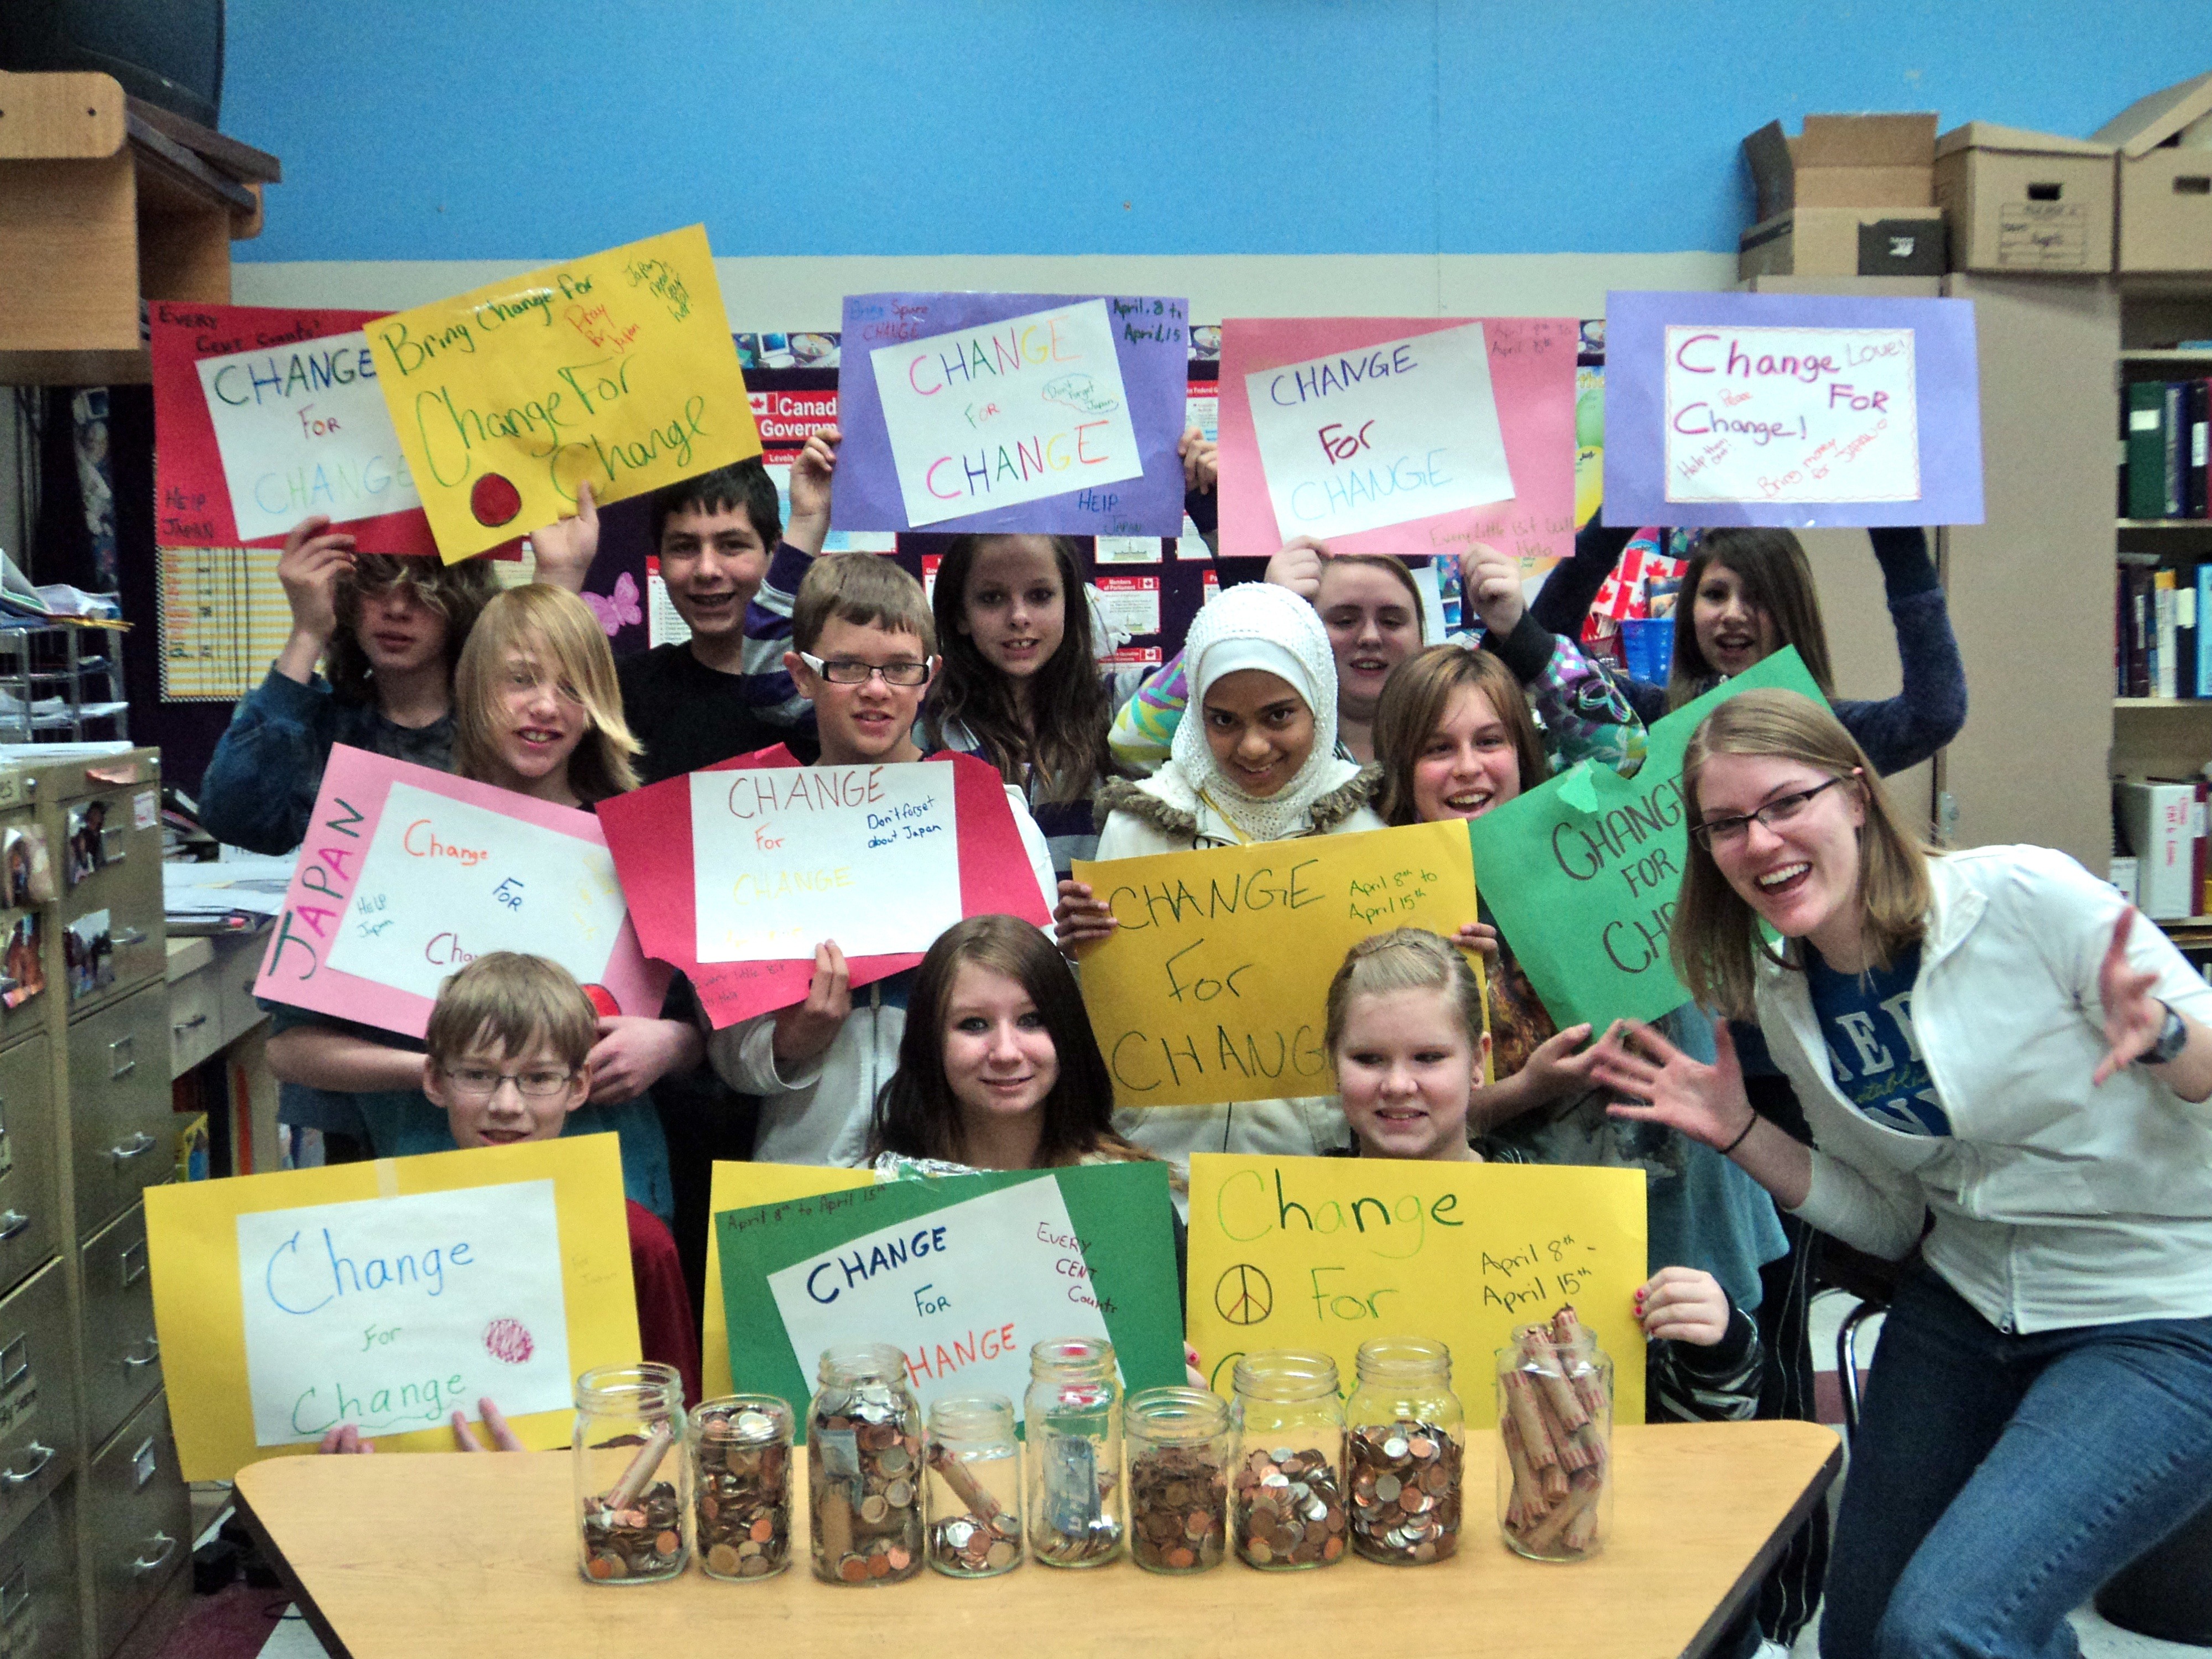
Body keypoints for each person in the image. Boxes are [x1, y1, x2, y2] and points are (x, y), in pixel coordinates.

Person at [1587, 688, 2212, 1659]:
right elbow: (1887, 1219)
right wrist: (1740, 1127)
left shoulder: (2026, 898)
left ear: (1855, 796)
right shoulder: (1788, 997)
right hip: (1966, 1304)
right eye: (1726, 825)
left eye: (1786, 803)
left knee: (1945, 1631)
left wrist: (2170, 1036)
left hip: (2159, 1312)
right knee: (1864, 1639)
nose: (1760, 841)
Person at [1368, 645, 1786, 1329]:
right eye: (1437, 749)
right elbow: (1391, 1116)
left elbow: (1627, 750)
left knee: (1718, 1403)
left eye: (1491, 741)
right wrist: (1531, 1086)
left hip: (1688, 1208)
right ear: (1400, 767)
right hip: (1537, 1247)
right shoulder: (1390, 897)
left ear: (1524, 749)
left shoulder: (1588, 832)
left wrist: (1523, 631)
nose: (1469, 768)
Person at [266, 586, 682, 1220]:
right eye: (520, 680)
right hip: (436, 1193)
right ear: (474, 686)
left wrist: (674, 1044)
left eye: (574, 689)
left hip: (607, 1183)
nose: (545, 707)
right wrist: (438, 1072)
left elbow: (708, 1025)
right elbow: (288, 1049)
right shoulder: (387, 830)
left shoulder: (639, 847)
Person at [1323, 929, 1764, 1429]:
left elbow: (1680, 1424)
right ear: (1332, 1064)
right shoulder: (1277, 1223)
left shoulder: (1575, 1222)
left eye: (1429, 1057)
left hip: (1540, 1503)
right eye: (1368, 1059)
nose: (1399, 1084)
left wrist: (1716, 1347)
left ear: (1478, 1061)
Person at [702, 555, 1057, 1167]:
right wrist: (789, 1044)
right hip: (804, 1163)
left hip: (962, 1166)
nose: (875, 689)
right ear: (801, 674)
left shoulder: (990, 817)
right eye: (846, 668)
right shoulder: (751, 827)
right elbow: (730, 1055)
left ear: (929, 676)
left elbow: (1043, 1012)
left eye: (899, 669)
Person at [319, 952, 702, 1454]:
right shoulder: (365, 1249)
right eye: (478, 1075)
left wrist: (547, 1483)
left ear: (579, 1086)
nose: (506, 1105)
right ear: (434, 1081)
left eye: (539, 1078)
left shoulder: (636, 1244)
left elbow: (678, 1439)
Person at [1058, 580, 1384, 1168]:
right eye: (1224, 720)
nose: (1253, 746)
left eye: (1279, 716)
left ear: (1320, 700)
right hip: (1156, 1162)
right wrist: (1079, 957)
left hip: (1314, 1172)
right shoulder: (1138, 829)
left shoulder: (1364, 834)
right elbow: (1100, 1012)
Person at [1523, 517, 1966, 774]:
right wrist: (1616, 515)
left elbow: (1934, 715)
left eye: (1758, 597)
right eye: (1715, 594)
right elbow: (1546, 645)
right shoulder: (1649, 720)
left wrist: (1900, 542)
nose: (1733, 614)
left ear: (1792, 610)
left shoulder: (1831, 732)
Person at [920, 533, 1150, 873]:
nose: (1019, 616)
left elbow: (1231, 652)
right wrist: (808, 521)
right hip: (981, 927)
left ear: (1070, 605)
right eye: (992, 598)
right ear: (960, 615)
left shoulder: (1121, 707)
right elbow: (815, 696)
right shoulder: (926, 728)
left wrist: (1212, 510)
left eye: (1040, 596)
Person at [1109, 539, 1428, 769]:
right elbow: (1132, 741)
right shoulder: (1265, 738)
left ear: (1422, 636)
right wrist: (1260, 612)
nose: (1370, 637)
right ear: (1305, 634)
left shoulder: (1453, 730)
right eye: (1344, 621)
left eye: (1392, 621)